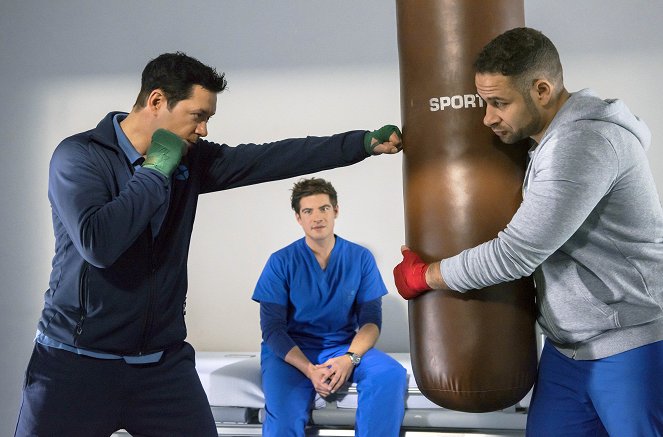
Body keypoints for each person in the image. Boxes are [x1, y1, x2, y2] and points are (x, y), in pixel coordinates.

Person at [15, 52, 402, 437]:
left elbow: (274, 157)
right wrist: (155, 171)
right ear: (156, 102)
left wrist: (361, 144)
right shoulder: (79, 156)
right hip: (75, 365)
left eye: (207, 119)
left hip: (160, 367)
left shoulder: (192, 160)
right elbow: (99, 243)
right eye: (198, 116)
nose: (203, 131)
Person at [393, 27, 663, 436]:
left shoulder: (584, 142)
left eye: (499, 103)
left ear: (541, 89)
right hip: (566, 351)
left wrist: (425, 276)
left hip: (630, 345)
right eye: (484, 102)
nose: (487, 118)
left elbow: (516, 253)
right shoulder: (546, 143)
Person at [252, 177, 407, 437]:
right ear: (298, 218)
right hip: (291, 352)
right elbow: (272, 330)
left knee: (390, 374)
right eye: (308, 211)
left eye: (324, 208)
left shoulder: (360, 258)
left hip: (343, 346)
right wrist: (309, 370)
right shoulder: (281, 262)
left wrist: (350, 358)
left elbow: (370, 320)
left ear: (336, 211)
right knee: (282, 422)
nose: (317, 217)